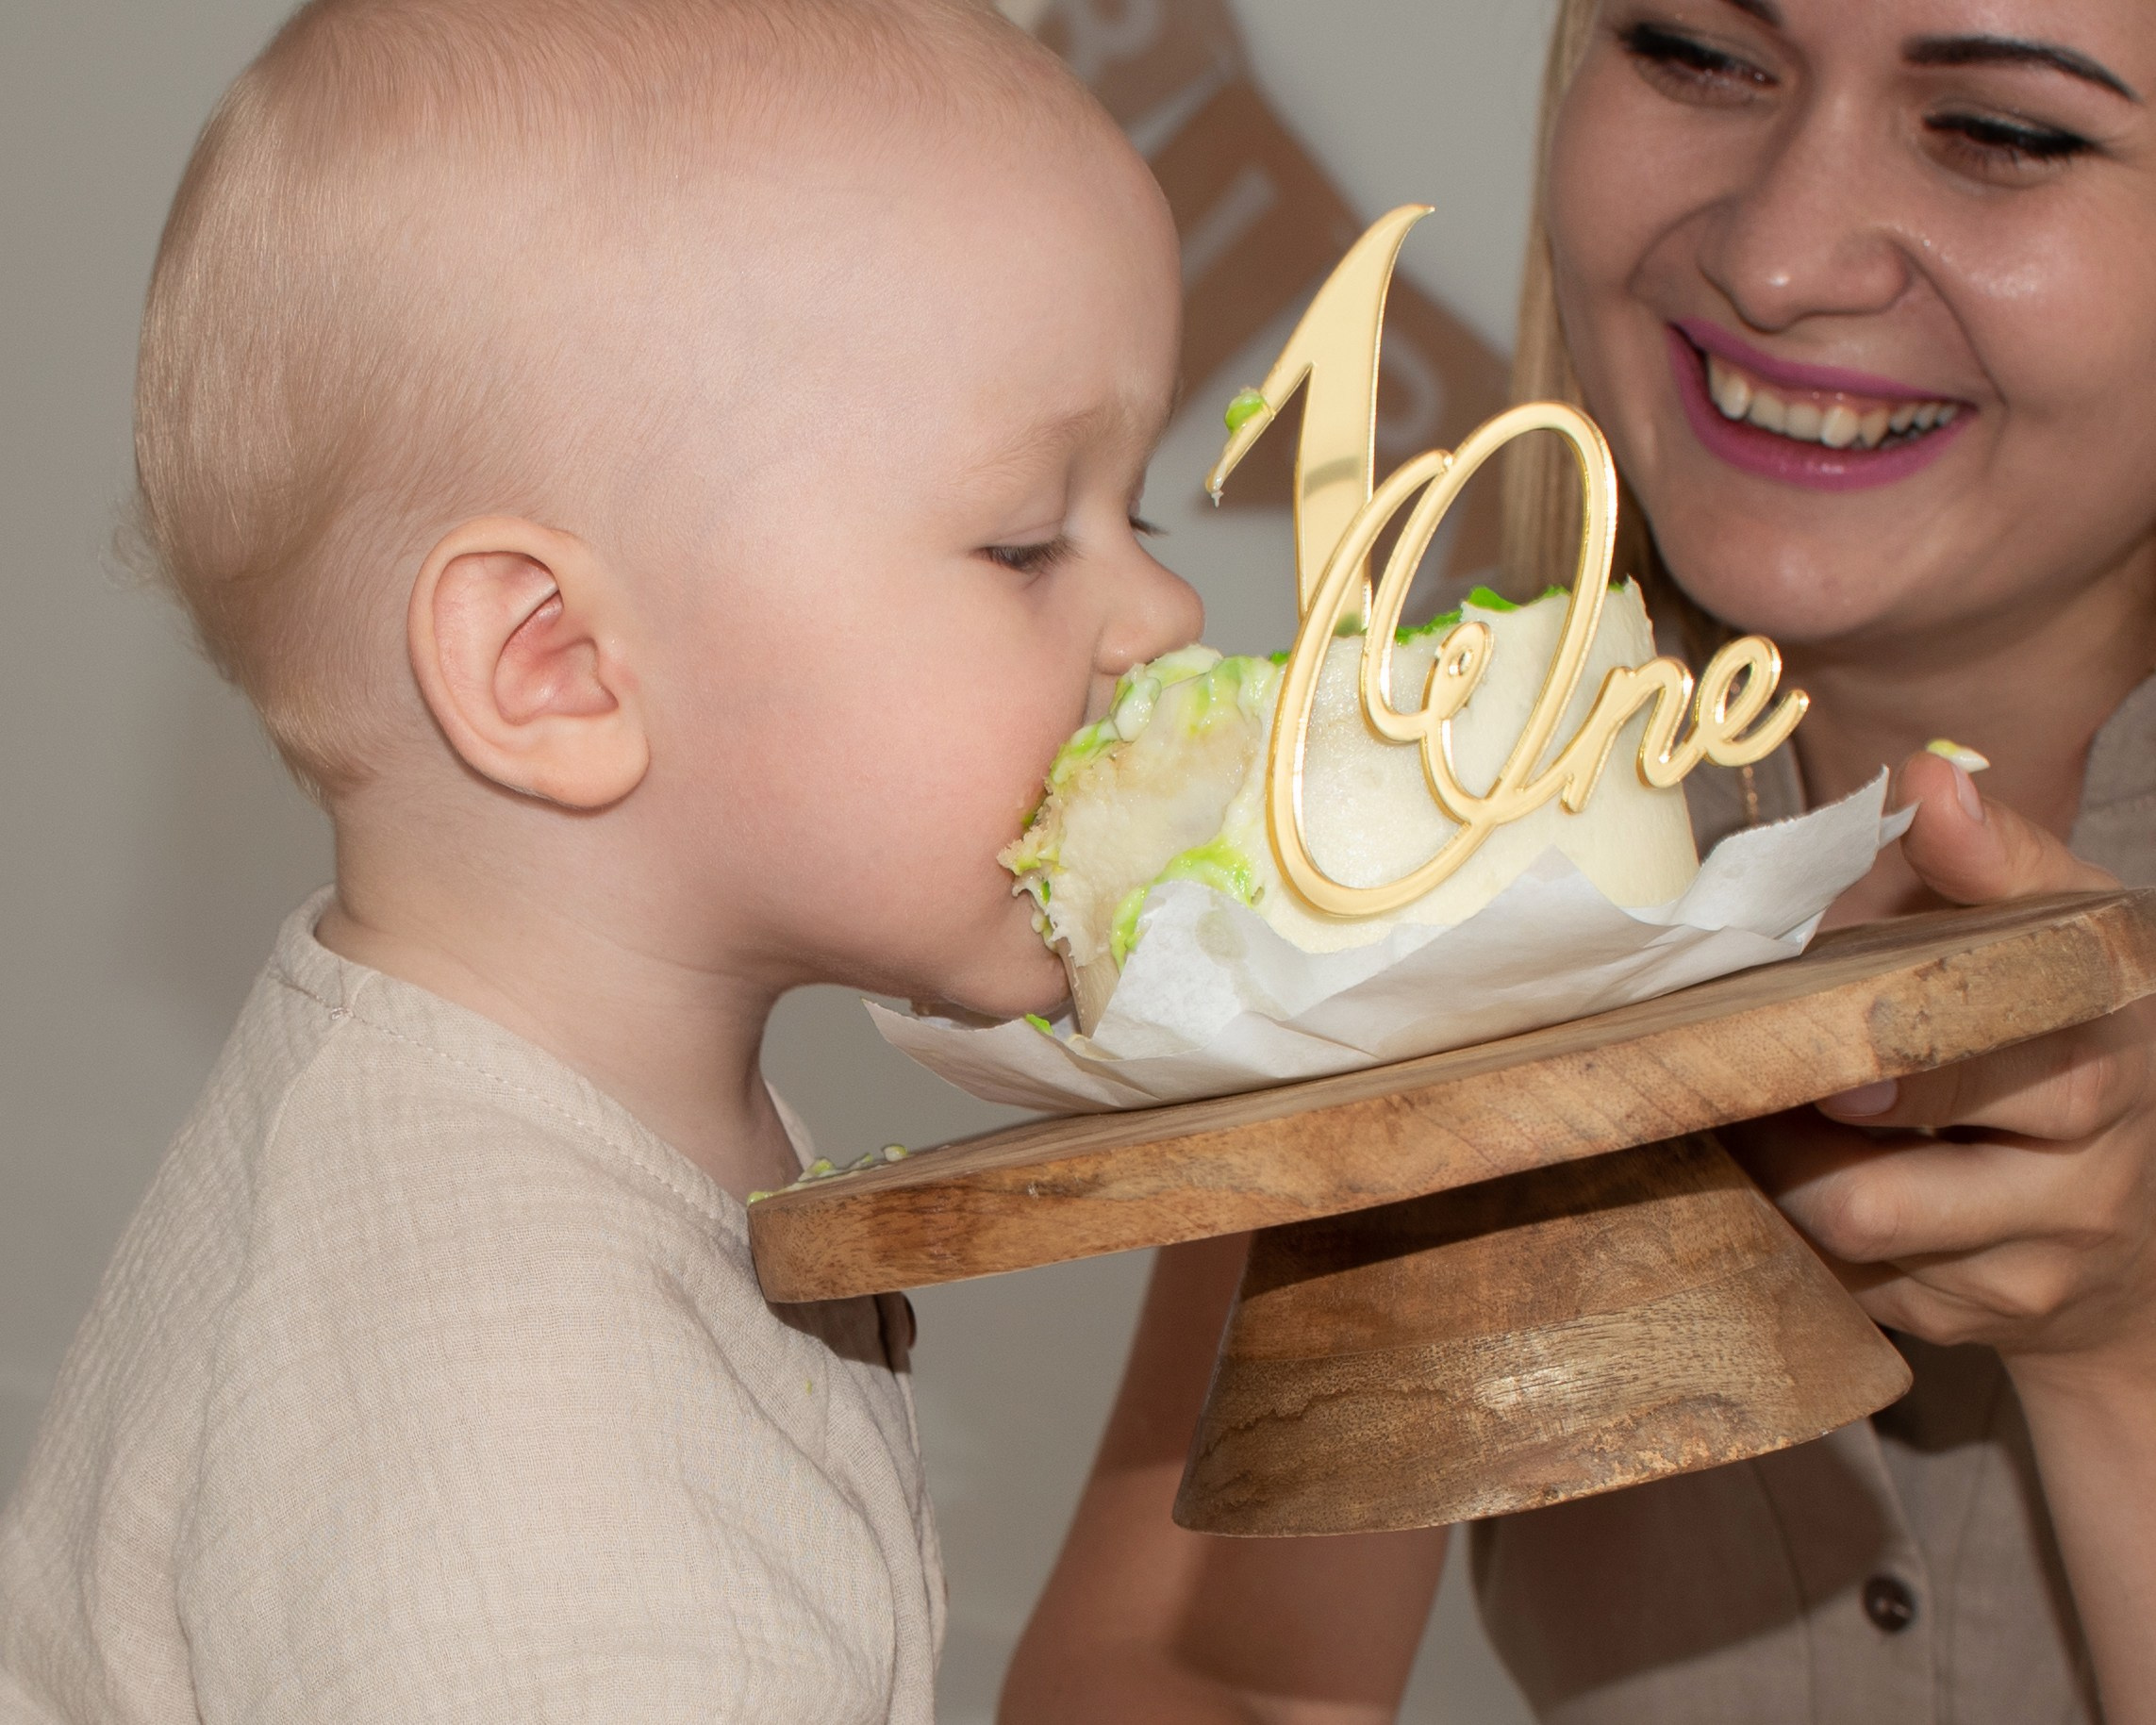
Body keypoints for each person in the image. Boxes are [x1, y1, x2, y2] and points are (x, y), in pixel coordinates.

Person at [0, 2, 1202, 1719]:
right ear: (553, 661)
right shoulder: (511, 1403)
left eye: (1132, 517)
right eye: (1026, 541)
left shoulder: (514, 1135)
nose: (1158, 612)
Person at [1003, 1, 2156, 1720]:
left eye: (2003, 131)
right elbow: (1199, 1673)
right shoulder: (1455, 815)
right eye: (1696, 52)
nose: (1774, 260)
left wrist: (2119, 1363)